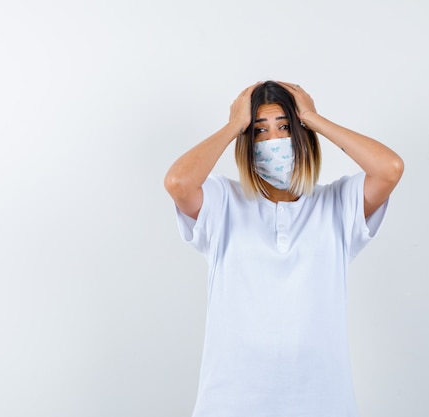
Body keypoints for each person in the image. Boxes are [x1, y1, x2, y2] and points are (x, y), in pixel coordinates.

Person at [164, 80, 404, 417]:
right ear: (247, 143)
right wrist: (235, 124)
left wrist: (313, 117)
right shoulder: (223, 202)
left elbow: (390, 169)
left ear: (303, 135)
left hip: (322, 403)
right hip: (231, 402)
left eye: (286, 127)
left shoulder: (337, 205)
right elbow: (178, 182)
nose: (274, 141)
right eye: (260, 131)